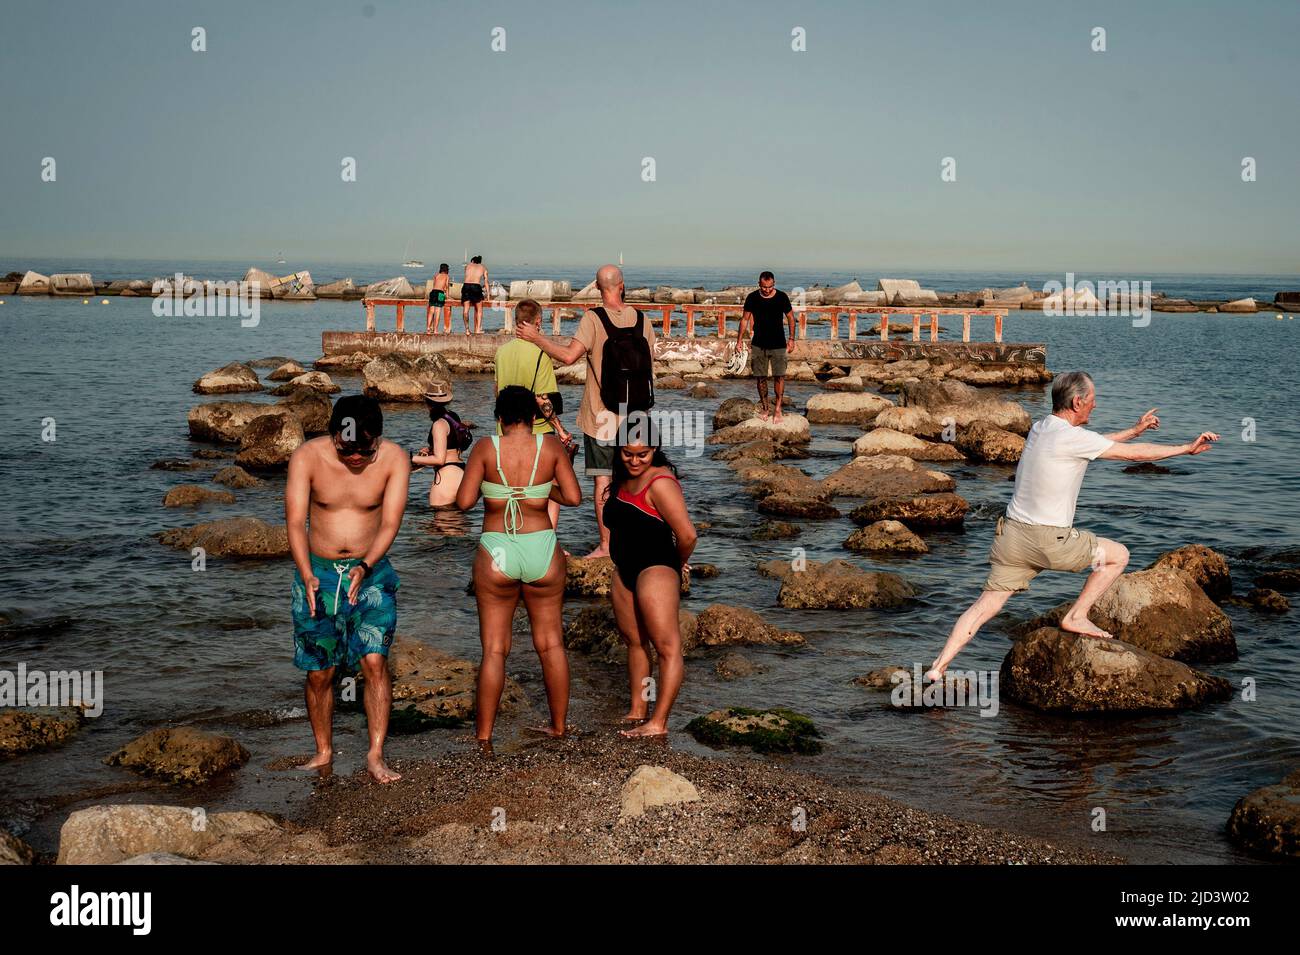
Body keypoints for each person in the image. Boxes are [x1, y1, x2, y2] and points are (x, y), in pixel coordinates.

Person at [924, 371, 1220, 681]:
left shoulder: (1040, 428)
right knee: (1118, 555)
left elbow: (1096, 444)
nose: (1095, 406)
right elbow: (1129, 454)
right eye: (1092, 401)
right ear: (1077, 401)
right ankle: (1077, 616)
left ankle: (938, 667)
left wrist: (1134, 429)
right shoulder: (1072, 438)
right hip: (1049, 540)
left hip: (1011, 536)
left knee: (985, 606)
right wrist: (1186, 448)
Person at [285, 394, 410, 783]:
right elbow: (294, 522)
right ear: (332, 436)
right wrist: (306, 573)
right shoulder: (307, 457)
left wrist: (366, 564)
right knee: (321, 672)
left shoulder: (394, 459)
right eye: (347, 449)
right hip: (318, 575)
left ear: (379, 439)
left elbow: (390, 522)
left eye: (365, 449)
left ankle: (375, 754)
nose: (356, 457)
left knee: (374, 662)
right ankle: (323, 750)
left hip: (371, 574)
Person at [456, 385, 582, 742]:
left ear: (498, 418)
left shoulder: (485, 447)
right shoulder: (551, 447)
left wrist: (495, 488)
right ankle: (558, 726)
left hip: (498, 551)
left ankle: (483, 735)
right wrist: (540, 491)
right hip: (541, 548)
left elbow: (464, 502)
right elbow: (573, 497)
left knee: (495, 649)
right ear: (532, 417)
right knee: (551, 644)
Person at [516, 264, 655, 558]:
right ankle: (635, 540)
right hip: (637, 414)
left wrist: (536, 338)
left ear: (596, 286)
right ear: (622, 285)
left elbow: (568, 356)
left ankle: (606, 547)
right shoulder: (643, 320)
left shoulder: (594, 319)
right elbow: (649, 366)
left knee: (603, 480)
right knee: (636, 480)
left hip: (601, 414)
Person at [603, 435, 696, 738]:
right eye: (627, 454)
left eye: (642, 454)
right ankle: (638, 709)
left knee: (667, 648)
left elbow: (688, 535)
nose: (634, 460)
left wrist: (676, 564)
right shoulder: (620, 477)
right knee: (635, 643)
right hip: (624, 571)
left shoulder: (660, 483)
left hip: (655, 568)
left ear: (654, 450)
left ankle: (659, 722)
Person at [493, 298, 569, 528]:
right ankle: (547, 535)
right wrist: (560, 429)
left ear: (516, 321)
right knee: (549, 485)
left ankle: (513, 531)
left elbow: (497, 393)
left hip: (505, 430)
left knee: (513, 488)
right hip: (536, 430)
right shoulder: (541, 354)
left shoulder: (501, 352)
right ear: (537, 322)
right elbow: (544, 400)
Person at [738, 271, 796, 422]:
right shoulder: (752, 298)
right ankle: (765, 408)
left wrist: (791, 339)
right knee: (760, 378)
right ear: (759, 284)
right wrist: (739, 341)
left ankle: (778, 409)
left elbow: (790, 318)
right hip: (758, 344)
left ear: (774, 284)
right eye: (764, 287)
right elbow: (744, 319)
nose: (767, 290)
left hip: (778, 344)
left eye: (770, 287)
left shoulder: (782, 297)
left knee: (779, 377)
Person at [411, 381, 473, 507]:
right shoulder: (453, 416)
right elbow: (453, 444)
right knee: (458, 524)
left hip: (445, 478)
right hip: (461, 474)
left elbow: (440, 459)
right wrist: (431, 449)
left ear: (427, 402)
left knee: (439, 523)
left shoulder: (438, 424)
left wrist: (411, 458)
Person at [462, 255, 489, 334]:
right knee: (479, 310)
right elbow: (486, 282)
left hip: (466, 286)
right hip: (476, 286)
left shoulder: (467, 266)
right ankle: (477, 330)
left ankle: (467, 329)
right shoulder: (483, 267)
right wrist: (488, 294)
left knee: (466, 310)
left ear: (472, 261)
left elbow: (467, 273)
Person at [427, 264, 451, 334]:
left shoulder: (436, 275)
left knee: (431, 311)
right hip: (440, 293)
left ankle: (428, 328)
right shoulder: (446, 276)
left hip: (433, 292)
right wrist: (447, 296)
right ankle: (435, 330)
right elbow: (446, 287)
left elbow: (434, 285)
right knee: (437, 312)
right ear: (446, 269)